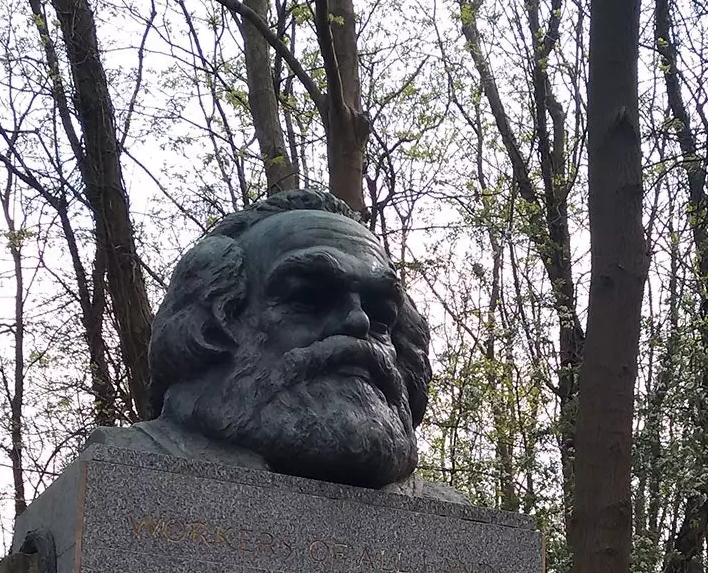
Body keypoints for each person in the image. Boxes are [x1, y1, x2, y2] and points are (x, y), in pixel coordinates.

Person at [82, 188, 459, 497]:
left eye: (381, 315)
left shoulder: (455, 518)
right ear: (211, 326)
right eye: (308, 298)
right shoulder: (125, 466)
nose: (358, 322)